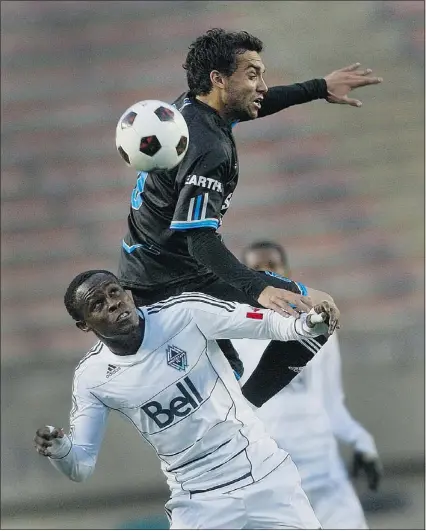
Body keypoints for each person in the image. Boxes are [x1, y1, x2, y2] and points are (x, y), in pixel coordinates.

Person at [117, 28, 382, 407]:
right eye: (253, 74)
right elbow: (200, 239)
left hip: (150, 266)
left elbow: (260, 102)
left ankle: (235, 413)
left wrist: (320, 87)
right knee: (317, 313)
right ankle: (246, 414)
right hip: (171, 281)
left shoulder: (187, 111)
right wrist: (260, 290)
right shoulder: (208, 149)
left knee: (229, 374)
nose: (263, 86)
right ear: (219, 80)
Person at [34, 269, 338, 529]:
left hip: (264, 474)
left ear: (129, 294)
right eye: (98, 305)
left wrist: (306, 325)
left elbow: (267, 323)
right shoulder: (92, 378)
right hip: (198, 500)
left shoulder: (184, 313)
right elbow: (80, 465)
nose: (113, 304)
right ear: (84, 325)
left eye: (115, 292)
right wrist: (59, 449)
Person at [233, 240, 382, 529]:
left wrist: (362, 442)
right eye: (257, 269)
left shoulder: (319, 325)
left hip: (325, 473)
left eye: (272, 266)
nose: (267, 273)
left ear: (286, 272)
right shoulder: (232, 331)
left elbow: (331, 402)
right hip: (271, 479)